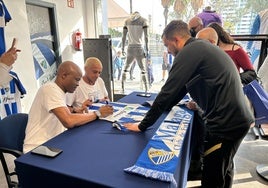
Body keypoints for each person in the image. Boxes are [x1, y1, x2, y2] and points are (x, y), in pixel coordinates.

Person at [124, 20, 254, 188]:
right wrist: (165, 107)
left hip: (225, 125)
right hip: (238, 120)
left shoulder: (189, 51)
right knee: (225, 168)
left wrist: (142, 125)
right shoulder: (199, 48)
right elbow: (180, 90)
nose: (167, 51)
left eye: (167, 45)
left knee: (212, 177)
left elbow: (167, 91)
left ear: (176, 40)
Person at [23, 61, 113, 153]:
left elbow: (61, 109)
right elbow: (68, 121)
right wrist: (97, 113)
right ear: (64, 75)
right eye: (77, 80)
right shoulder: (50, 89)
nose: (78, 84)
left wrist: (75, 110)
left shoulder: (59, 91)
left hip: (56, 141)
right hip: (38, 148)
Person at [121, 11, 149, 93]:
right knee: (143, 69)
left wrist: (122, 48)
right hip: (139, 47)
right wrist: (147, 49)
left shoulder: (127, 21)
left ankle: (122, 87)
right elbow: (146, 37)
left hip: (130, 47)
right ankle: (147, 89)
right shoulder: (143, 20)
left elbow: (123, 36)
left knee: (126, 68)